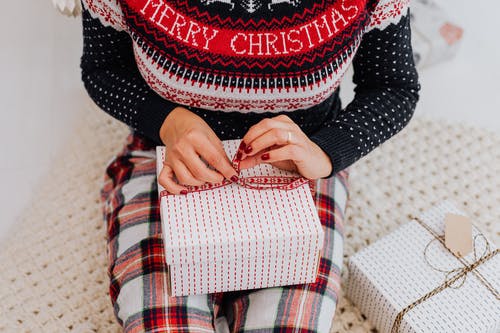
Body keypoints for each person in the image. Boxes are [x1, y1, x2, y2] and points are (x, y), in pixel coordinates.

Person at [80, 0, 419, 331]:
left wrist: (324, 152)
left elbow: (393, 87)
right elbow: (104, 69)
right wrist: (168, 122)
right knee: (162, 323)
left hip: (299, 172)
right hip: (163, 157)